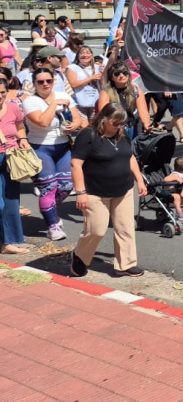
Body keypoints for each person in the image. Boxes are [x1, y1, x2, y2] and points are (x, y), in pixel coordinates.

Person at [68, 104, 147, 278]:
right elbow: (76, 164)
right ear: (103, 119)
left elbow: (130, 156)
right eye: (115, 123)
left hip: (123, 189)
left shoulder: (121, 134)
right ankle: (80, 256)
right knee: (96, 230)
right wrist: (80, 191)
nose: (119, 127)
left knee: (125, 228)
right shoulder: (88, 135)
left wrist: (139, 179)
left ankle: (126, 264)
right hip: (96, 192)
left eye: (122, 123)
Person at [24, 67, 86, 241]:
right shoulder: (30, 101)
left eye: (49, 81)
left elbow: (78, 118)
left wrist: (74, 125)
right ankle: (53, 225)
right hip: (40, 147)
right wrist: (53, 103)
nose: (45, 84)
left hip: (63, 146)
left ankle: (49, 208)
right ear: (34, 84)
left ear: (54, 81)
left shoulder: (64, 97)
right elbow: (43, 121)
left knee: (66, 186)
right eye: (40, 82)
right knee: (48, 188)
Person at [0, 68, 29, 254]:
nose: (0, 96)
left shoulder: (12, 107)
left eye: (2, 92)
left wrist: (23, 140)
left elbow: (19, 127)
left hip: (10, 157)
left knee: (11, 201)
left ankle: (9, 241)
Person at [97, 62, 152, 140]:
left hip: (132, 126)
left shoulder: (136, 90)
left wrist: (146, 124)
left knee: (133, 150)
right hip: (114, 127)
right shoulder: (106, 92)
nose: (121, 75)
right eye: (117, 74)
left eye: (125, 73)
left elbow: (143, 110)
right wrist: (115, 127)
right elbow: (103, 113)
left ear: (128, 75)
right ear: (112, 77)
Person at [65, 45, 102, 122]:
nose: (85, 55)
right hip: (79, 103)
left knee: (94, 127)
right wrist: (91, 78)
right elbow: (74, 84)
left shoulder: (98, 67)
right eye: (82, 53)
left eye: (88, 53)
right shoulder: (72, 67)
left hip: (95, 102)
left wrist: (104, 71)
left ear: (92, 55)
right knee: (83, 128)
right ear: (77, 56)